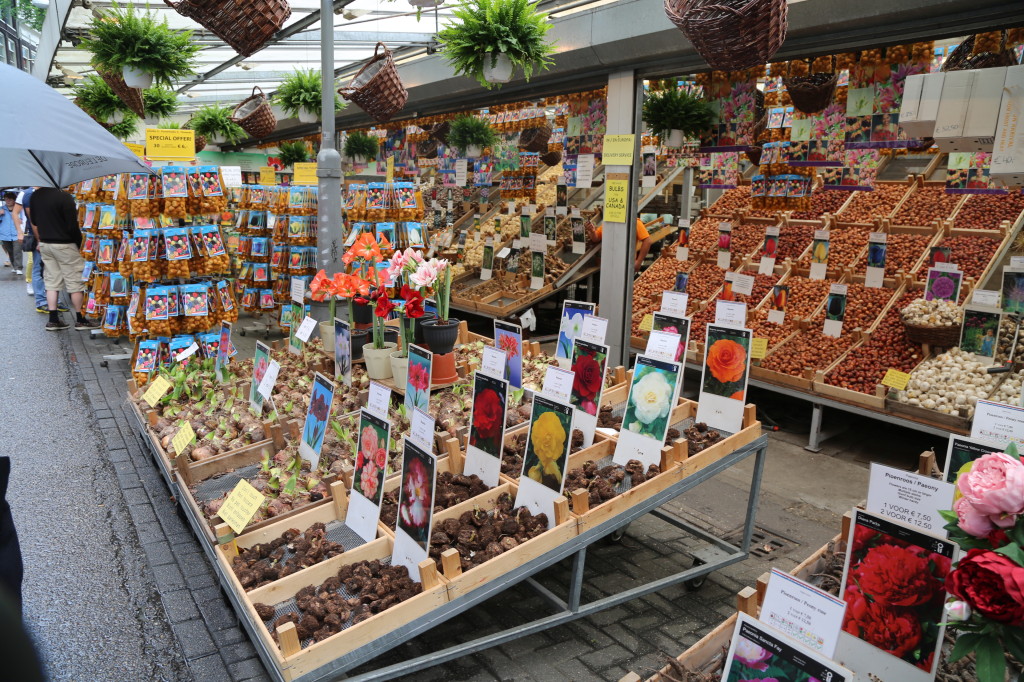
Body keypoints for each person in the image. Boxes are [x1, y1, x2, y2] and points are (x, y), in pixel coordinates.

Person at [28, 186, 95, 331]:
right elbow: (72, 225)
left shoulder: (36, 196)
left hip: (46, 243)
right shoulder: (64, 197)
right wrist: (79, 244)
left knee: (51, 281)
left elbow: (34, 221)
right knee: (75, 281)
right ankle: (80, 319)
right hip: (65, 244)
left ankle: (53, 320)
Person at [585, 213, 653, 271]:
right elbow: (596, 238)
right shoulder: (608, 222)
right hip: (609, 263)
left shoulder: (634, 222)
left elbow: (647, 241)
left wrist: (639, 262)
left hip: (626, 264)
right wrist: (592, 231)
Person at [0, 193, 22, 275]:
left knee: (17, 251)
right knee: (10, 251)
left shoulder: (19, 209)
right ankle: (14, 266)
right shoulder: (1, 209)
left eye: (10, 199)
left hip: (16, 233)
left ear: (14, 200)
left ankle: (19, 267)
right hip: (5, 235)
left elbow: (23, 219)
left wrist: (21, 220)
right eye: (6, 199)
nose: (8, 201)